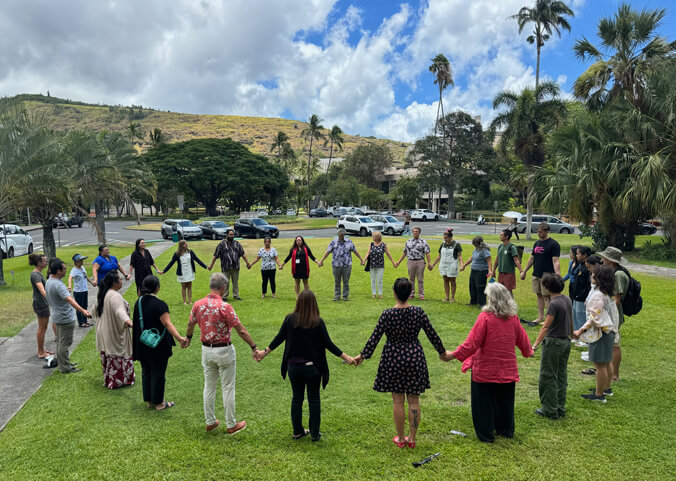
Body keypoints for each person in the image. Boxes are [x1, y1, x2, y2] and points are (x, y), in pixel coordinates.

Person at [353, 278, 446, 449]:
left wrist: (362, 356)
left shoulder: (387, 314)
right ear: (410, 293)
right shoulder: (419, 312)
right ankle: (412, 438)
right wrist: (442, 352)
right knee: (414, 400)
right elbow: (432, 334)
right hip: (414, 357)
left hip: (393, 358)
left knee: (397, 401)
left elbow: (375, 337)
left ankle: (401, 438)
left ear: (394, 293)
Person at [254, 290, 355, 441]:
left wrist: (264, 352)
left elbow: (279, 338)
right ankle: (314, 434)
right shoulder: (317, 322)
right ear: (314, 304)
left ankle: (297, 432)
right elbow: (328, 344)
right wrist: (346, 357)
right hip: (312, 368)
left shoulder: (290, 319)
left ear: (298, 302)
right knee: (314, 399)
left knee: (297, 398)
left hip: (293, 368)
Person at [442, 282, 533, 443]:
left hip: (485, 369)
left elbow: (471, 344)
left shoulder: (485, 318)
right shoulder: (513, 318)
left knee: (483, 403)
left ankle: (486, 433)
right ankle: (505, 430)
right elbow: (524, 342)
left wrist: (453, 355)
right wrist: (528, 352)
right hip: (507, 370)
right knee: (505, 402)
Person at [185, 273, 259, 434]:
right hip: (224, 350)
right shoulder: (225, 307)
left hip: (206, 350)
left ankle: (210, 421)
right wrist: (254, 347)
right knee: (228, 388)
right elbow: (241, 330)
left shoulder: (198, 304)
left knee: (209, 387)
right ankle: (231, 424)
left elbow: (190, 323)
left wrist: (188, 338)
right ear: (223, 287)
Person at [132, 275, 188, 410]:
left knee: (147, 371)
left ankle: (150, 400)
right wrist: (180, 338)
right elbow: (167, 324)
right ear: (157, 288)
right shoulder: (160, 305)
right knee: (158, 372)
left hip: (142, 343)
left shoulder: (138, 302)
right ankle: (159, 402)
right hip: (157, 345)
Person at [573, 265, 618, 402]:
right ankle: (606, 388)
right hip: (608, 331)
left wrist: (580, 330)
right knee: (606, 361)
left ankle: (599, 395)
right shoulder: (604, 292)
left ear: (599, 279)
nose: (591, 276)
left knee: (599, 365)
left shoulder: (598, 295)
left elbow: (594, 318)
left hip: (601, 333)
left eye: (593, 275)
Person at [531, 274, 572, 419]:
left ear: (547, 288)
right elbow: (570, 319)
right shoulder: (566, 299)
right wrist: (572, 334)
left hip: (553, 343)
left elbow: (545, 327)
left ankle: (549, 409)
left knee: (548, 376)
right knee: (561, 375)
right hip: (566, 342)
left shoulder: (553, 304)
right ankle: (560, 406)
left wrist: (535, 345)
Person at [45, 258, 92, 373]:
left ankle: (63, 364)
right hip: (65, 317)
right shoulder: (58, 285)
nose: (66, 271)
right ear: (58, 271)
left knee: (61, 342)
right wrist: (83, 311)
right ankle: (65, 367)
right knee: (65, 343)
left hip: (57, 316)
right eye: (64, 269)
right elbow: (70, 300)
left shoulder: (49, 281)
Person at [94, 272, 135, 389]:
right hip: (113, 331)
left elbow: (93, 311)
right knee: (118, 354)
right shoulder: (115, 296)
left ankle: (110, 379)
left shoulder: (104, 294)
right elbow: (119, 312)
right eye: (120, 280)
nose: (122, 281)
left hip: (104, 331)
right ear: (115, 283)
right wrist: (129, 322)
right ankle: (119, 380)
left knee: (109, 353)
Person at [595, 247, 629, 383]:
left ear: (610, 260)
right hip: (610, 313)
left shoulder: (619, 275)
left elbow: (617, 299)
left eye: (604, 258)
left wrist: (607, 314)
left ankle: (614, 375)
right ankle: (607, 373)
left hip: (613, 315)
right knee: (609, 344)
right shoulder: (614, 272)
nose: (602, 260)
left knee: (615, 344)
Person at [520, 222, 561, 324]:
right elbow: (532, 258)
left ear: (547, 231)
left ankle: (551, 318)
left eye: (541, 232)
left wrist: (558, 275)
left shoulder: (553, 244)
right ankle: (540, 317)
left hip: (547, 275)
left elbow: (555, 260)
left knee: (547, 297)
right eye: (538, 232)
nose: (539, 234)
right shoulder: (537, 243)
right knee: (539, 295)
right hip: (536, 274)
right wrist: (524, 271)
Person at [318, 229, 363, 301]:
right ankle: (337, 296)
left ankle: (345, 296)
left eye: (343, 235)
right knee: (337, 281)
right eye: (340, 235)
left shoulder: (349, 241)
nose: (341, 236)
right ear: (338, 235)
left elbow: (355, 251)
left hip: (347, 265)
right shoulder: (333, 242)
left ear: (344, 235)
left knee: (346, 281)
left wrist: (361, 259)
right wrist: (321, 261)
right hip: (336, 265)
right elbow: (327, 252)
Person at [208, 229, 250, 301]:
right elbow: (215, 255)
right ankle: (224, 296)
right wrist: (211, 265)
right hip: (225, 267)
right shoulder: (221, 244)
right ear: (227, 235)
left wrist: (247, 263)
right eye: (230, 234)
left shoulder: (237, 244)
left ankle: (236, 295)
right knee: (225, 282)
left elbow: (242, 254)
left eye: (233, 235)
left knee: (235, 282)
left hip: (235, 266)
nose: (232, 236)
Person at [161, 240, 207, 305]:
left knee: (189, 285)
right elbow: (171, 263)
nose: (186, 245)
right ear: (181, 245)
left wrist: (205, 267)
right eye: (185, 244)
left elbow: (197, 260)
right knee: (183, 286)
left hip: (189, 270)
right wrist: (164, 271)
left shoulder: (190, 252)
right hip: (182, 271)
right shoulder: (177, 254)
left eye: (186, 244)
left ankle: (190, 300)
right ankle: (185, 301)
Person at [29, 253, 56, 358]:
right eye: (44, 261)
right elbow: (41, 290)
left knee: (43, 328)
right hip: (40, 304)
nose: (46, 263)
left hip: (42, 304)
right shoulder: (35, 275)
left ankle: (42, 349)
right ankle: (40, 352)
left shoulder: (38, 274)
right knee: (42, 328)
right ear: (39, 263)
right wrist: (51, 300)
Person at [395, 227, 431, 300]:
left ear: (419, 232)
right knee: (411, 278)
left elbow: (427, 252)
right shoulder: (408, 241)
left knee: (420, 278)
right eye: (414, 231)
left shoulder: (423, 241)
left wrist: (429, 262)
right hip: (411, 261)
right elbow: (405, 252)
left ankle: (421, 294)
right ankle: (411, 293)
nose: (415, 233)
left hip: (420, 260)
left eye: (416, 231)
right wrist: (399, 261)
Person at [428, 229, 463, 302]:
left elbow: (460, 256)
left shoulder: (456, 244)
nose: (445, 239)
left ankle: (452, 297)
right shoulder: (442, 244)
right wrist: (433, 265)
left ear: (450, 237)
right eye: (444, 238)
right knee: (445, 280)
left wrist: (461, 265)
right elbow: (439, 256)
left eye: (446, 238)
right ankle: (447, 297)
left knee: (452, 281)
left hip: (452, 264)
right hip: (443, 264)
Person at [460, 236, 493, 307]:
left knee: (480, 287)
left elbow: (489, 260)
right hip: (474, 270)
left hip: (481, 271)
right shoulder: (476, 250)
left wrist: (490, 270)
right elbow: (471, 258)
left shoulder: (485, 250)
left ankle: (482, 303)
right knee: (472, 286)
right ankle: (473, 301)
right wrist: (464, 265)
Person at [362, 231, 395, 299]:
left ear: (378, 237)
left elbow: (388, 254)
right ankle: (373, 293)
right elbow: (368, 253)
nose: (373, 237)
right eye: (372, 236)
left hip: (380, 264)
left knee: (380, 280)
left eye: (374, 236)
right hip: (372, 264)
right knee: (373, 280)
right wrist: (364, 260)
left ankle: (380, 293)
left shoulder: (383, 245)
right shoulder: (371, 244)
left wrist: (393, 262)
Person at [571, 247, 592, 344]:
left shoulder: (587, 269)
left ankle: (584, 339)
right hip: (576, 296)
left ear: (585, 255)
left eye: (578, 254)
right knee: (575, 315)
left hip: (582, 297)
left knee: (581, 317)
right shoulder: (580, 266)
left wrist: (584, 296)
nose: (576, 255)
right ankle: (576, 335)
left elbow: (588, 285)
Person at [493, 230, 522, 298]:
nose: (500, 236)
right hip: (501, 272)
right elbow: (497, 259)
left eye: (502, 235)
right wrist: (493, 270)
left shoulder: (512, 247)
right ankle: (503, 306)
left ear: (507, 237)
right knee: (501, 290)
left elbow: (516, 259)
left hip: (509, 273)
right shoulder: (500, 247)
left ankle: (511, 306)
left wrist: (521, 271)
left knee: (508, 291)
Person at [68, 253, 94, 328]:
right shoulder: (74, 270)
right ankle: (81, 322)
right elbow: (70, 278)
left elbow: (85, 276)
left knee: (85, 306)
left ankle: (85, 321)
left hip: (84, 290)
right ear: (76, 262)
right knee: (79, 307)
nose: (82, 262)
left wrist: (92, 283)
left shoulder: (82, 268)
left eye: (82, 260)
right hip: (78, 291)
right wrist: (70, 286)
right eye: (80, 260)